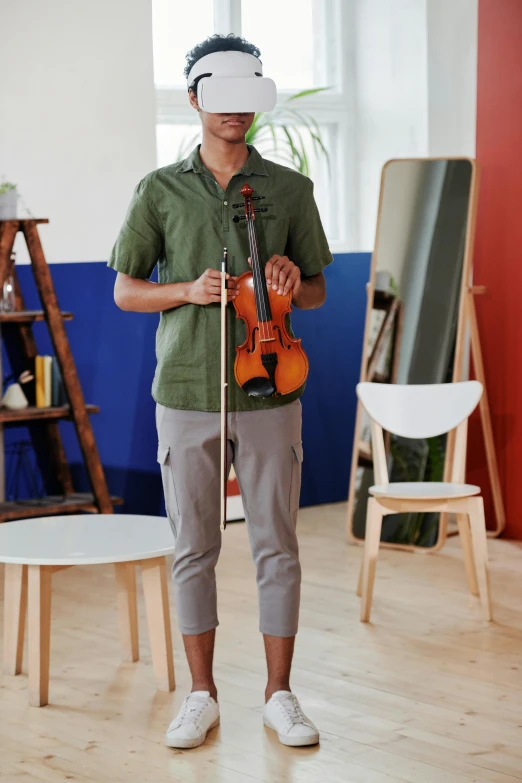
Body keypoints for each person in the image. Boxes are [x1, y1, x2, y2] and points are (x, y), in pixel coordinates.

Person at [108, 33, 332, 750]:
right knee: (194, 546)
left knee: (277, 545)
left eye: (249, 92)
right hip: (185, 387)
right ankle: (200, 694)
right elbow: (124, 289)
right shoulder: (159, 190)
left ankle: (280, 694)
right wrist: (186, 289)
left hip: (273, 383)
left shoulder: (289, 190)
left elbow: (320, 285)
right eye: (221, 92)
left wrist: (297, 282)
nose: (235, 109)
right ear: (197, 97)